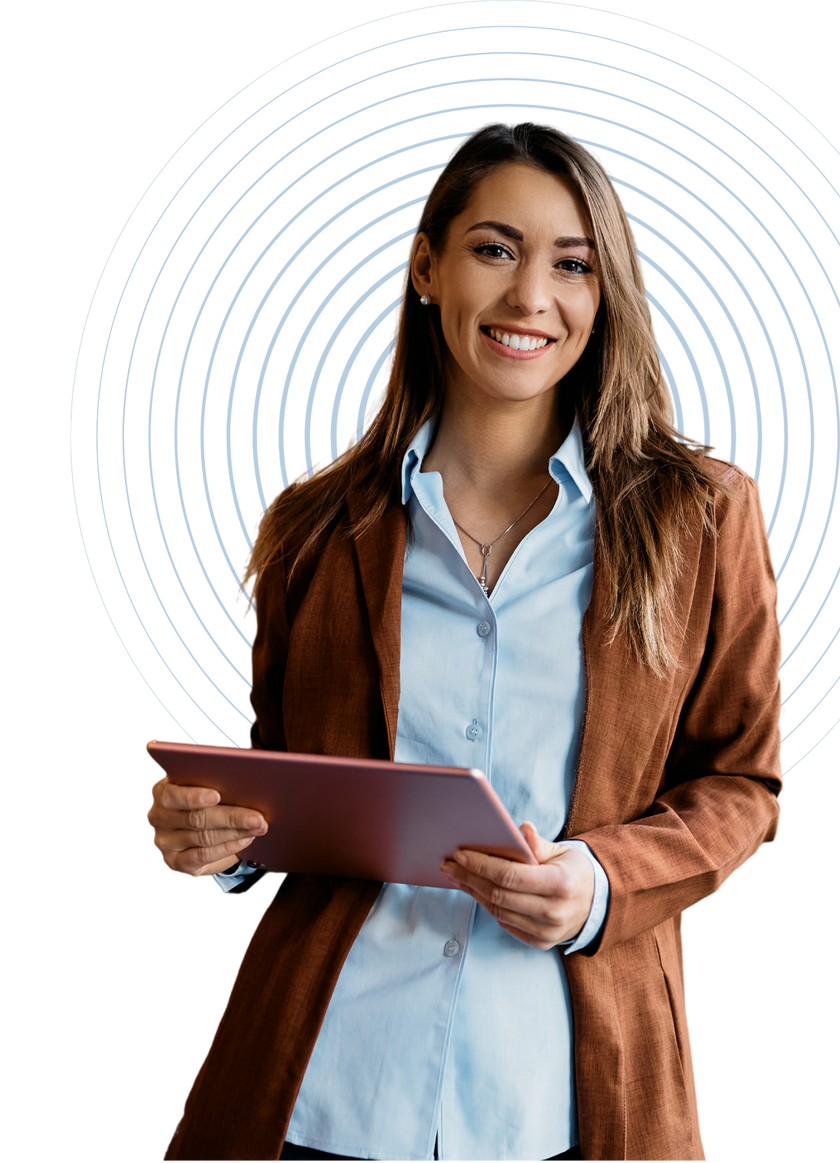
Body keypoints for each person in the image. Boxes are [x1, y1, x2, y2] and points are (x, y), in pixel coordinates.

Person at [149, 121, 784, 1163]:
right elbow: (291, 786)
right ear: (426, 265)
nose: (532, 296)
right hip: (321, 1093)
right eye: (495, 248)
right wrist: (218, 837)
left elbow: (742, 784)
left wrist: (603, 881)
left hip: (565, 1101)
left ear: (604, 291)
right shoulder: (313, 527)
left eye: (571, 263)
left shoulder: (702, 515)